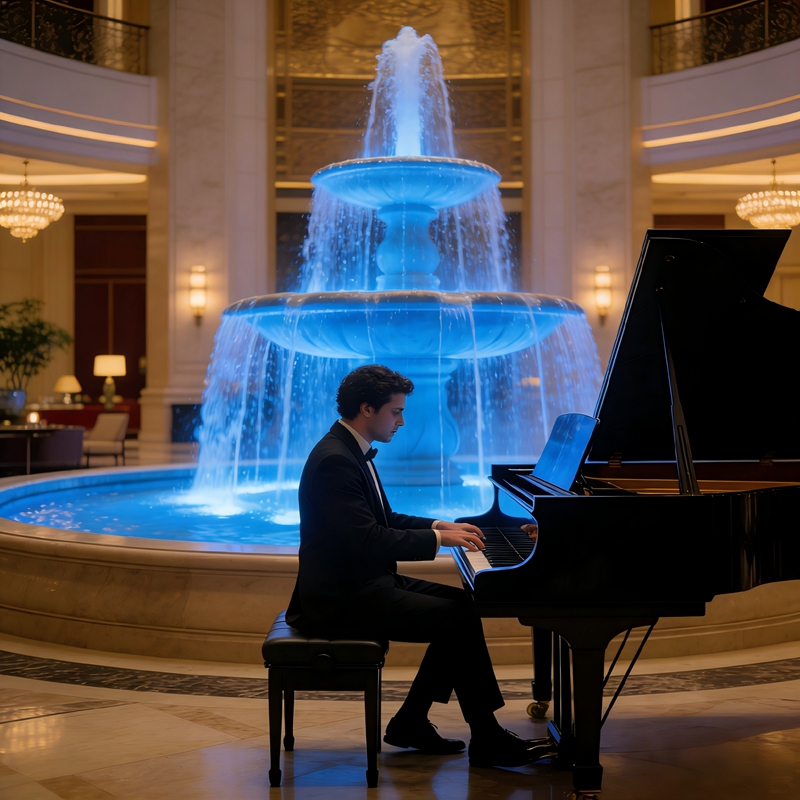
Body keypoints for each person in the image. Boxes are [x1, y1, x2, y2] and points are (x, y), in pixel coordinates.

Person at [286, 364, 553, 767]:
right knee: (456, 618)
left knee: (464, 607)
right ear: (366, 409)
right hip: (339, 599)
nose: (402, 420)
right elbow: (368, 539)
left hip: (361, 583)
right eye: (395, 411)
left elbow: (383, 520)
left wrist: (437, 524)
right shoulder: (335, 460)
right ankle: (483, 736)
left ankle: (415, 721)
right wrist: (439, 541)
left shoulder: (351, 449)